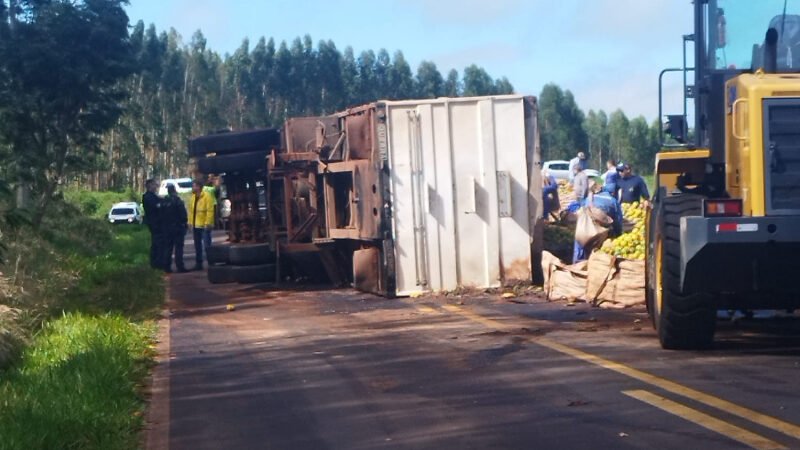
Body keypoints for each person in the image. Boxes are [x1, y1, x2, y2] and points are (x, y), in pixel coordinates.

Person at [573, 181, 623, 263]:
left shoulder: (590, 197)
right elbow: (618, 221)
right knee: (597, 253)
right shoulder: (613, 201)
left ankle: (577, 265)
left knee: (580, 247)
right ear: (613, 193)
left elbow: (580, 206)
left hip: (584, 229)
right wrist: (618, 236)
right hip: (599, 234)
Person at [188, 179, 215, 270]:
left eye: (194, 186)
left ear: (199, 187)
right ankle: (199, 263)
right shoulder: (193, 197)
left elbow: (210, 211)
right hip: (196, 225)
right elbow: (191, 212)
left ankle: (211, 262)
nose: (193, 187)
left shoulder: (207, 196)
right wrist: (190, 223)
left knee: (207, 245)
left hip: (204, 225)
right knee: (197, 246)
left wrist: (208, 223)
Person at [163, 184, 189, 273]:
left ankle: (166, 267)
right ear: (174, 190)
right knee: (179, 247)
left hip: (167, 228)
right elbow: (183, 214)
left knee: (168, 247)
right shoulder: (178, 201)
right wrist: (184, 223)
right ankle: (180, 266)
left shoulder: (164, 201)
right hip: (177, 227)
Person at [142, 178, 167, 271]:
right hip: (154, 223)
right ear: (149, 186)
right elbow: (156, 206)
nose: (156, 186)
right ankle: (157, 262)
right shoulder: (148, 197)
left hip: (158, 222)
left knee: (159, 242)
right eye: (154, 185)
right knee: (157, 243)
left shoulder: (153, 196)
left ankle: (159, 261)